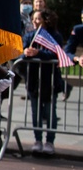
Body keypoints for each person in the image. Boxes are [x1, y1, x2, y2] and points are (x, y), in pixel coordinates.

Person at [22, 9, 64, 155]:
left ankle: (50, 142)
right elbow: (21, 52)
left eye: (38, 19)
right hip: (34, 81)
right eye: (33, 19)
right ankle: (38, 140)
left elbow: (57, 54)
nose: (35, 21)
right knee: (36, 112)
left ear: (45, 20)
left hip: (50, 81)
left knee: (50, 112)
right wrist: (26, 53)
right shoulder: (29, 36)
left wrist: (38, 53)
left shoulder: (54, 36)